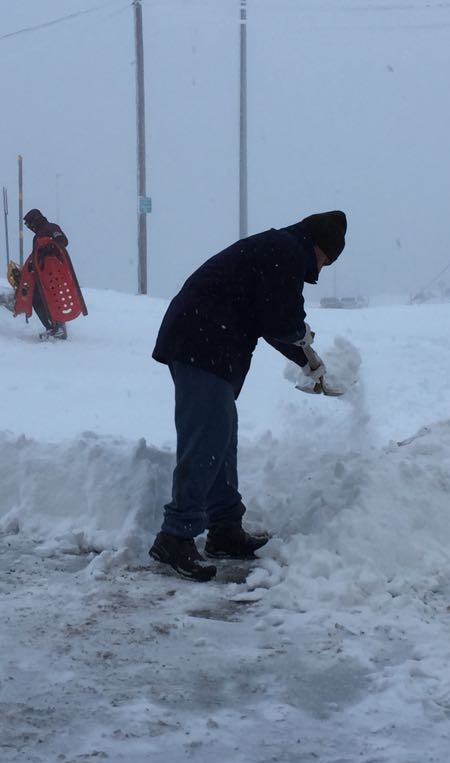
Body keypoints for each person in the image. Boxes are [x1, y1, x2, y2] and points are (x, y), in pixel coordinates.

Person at [149, 210, 348, 581]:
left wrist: (308, 360)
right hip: (200, 339)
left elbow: (270, 319)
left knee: (222, 435)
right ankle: (174, 536)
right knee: (207, 435)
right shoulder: (287, 251)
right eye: (326, 259)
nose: (321, 267)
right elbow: (281, 319)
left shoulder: (281, 249)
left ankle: (224, 529)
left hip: (211, 342)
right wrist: (303, 338)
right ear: (321, 248)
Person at [23, 208, 70, 340]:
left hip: (55, 272)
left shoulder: (51, 228)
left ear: (35, 220)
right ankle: (54, 326)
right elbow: (36, 256)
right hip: (42, 274)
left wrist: (49, 248)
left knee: (51, 298)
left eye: (29, 224)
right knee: (38, 298)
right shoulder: (36, 236)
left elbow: (62, 240)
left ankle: (57, 327)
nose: (29, 227)